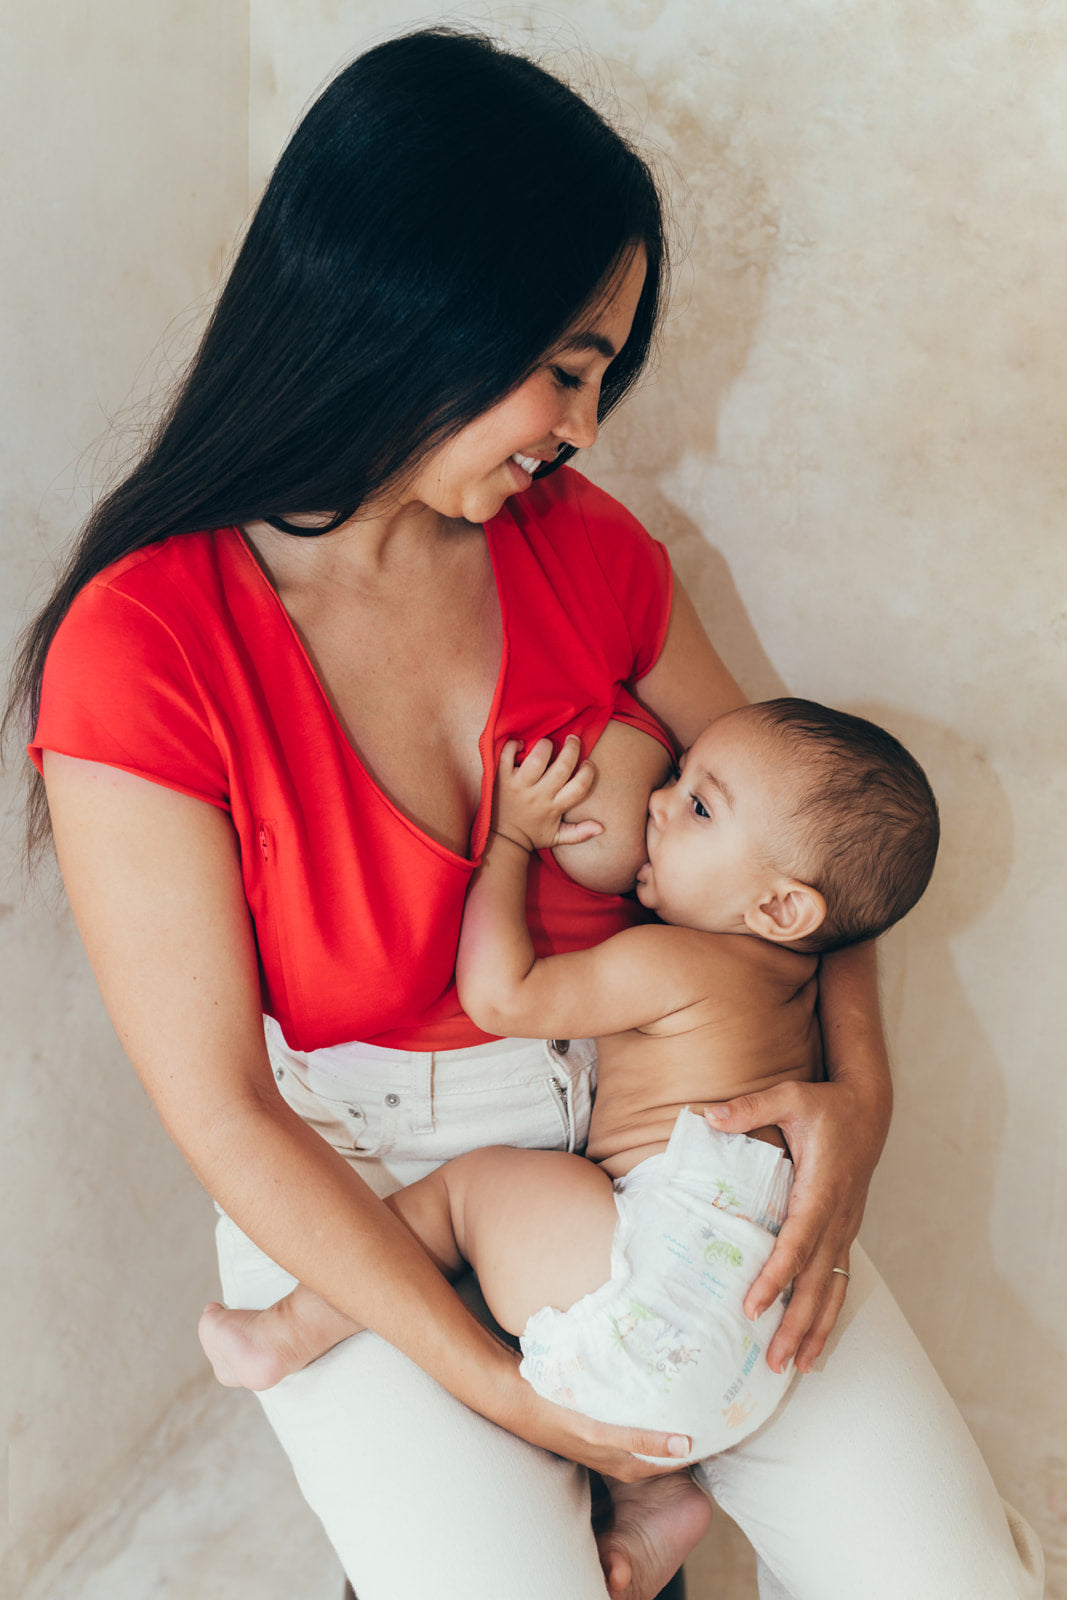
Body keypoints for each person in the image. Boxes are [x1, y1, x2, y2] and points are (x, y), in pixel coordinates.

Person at [6, 26, 1042, 1600]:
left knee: (956, 1579)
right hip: (362, 1195)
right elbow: (223, 1111)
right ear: (402, 311)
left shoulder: (587, 547)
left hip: (673, 1153)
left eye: (601, 370)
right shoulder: (144, 646)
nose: (586, 423)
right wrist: (501, 1393)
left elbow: (807, 852)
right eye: (562, 365)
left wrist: (857, 1105)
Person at [198, 696, 942, 1598]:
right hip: (746, 1347)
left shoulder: (677, 964)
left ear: (779, 905)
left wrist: (508, 842)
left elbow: (502, 998)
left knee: (472, 1193)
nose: (658, 806)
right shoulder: (788, 984)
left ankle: (287, 1330)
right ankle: (659, 1497)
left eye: (698, 807)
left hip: (647, 1302)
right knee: (621, 1294)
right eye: (673, 780)